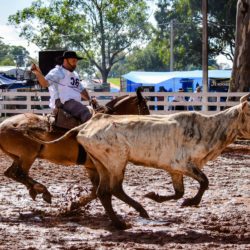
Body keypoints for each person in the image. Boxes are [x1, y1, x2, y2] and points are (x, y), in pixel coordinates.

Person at [31, 50, 92, 123]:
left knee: (91, 110)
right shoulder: (57, 72)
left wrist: (90, 100)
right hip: (62, 102)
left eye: (76, 62)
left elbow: (81, 89)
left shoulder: (75, 74)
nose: (75, 64)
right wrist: (37, 73)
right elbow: (45, 84)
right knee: (85, 112)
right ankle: (86, 134)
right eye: (73, 61)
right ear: (65, 60)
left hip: (73, 103)